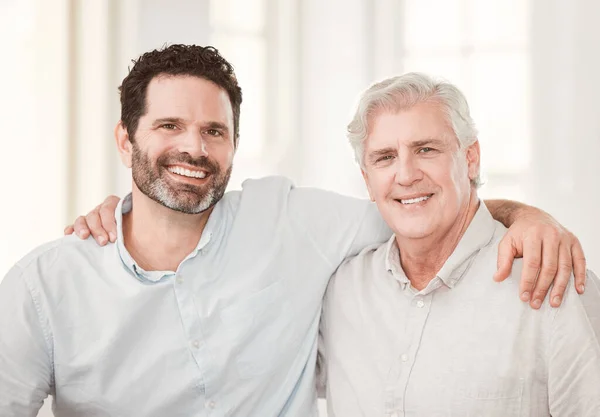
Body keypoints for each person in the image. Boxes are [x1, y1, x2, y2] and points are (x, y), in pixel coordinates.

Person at [0, 45, 586, 416]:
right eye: (169, 126)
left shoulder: (292, 222)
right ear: (126, 141)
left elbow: (420, 212)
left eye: (214, 131)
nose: (193, 148)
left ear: (233, 146)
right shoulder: (46, 286)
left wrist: (526, 216)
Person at [318, 72, 600, 416]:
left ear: (470, 159)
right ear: (367, 179)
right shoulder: (342, 291)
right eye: (385, 157)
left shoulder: (553, 281)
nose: (406, 175)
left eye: (426, 149)